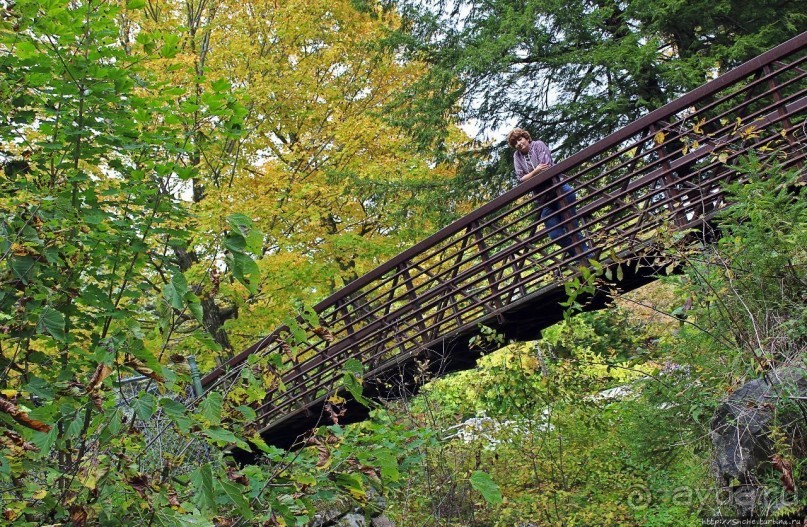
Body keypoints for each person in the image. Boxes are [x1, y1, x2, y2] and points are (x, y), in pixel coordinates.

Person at [508, 128, 587, 262]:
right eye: (515, 143)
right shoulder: (517, 156)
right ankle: (581, 257)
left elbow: (546, 166)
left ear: (526, 138)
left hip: (560, 190)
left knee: (571, 227)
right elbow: (521, 179)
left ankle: (586, 257)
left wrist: (532, 175)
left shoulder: (538, 145)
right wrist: (536, 171)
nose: (519, 144)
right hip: (544, 200)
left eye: (520, 139)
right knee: (555, 235)